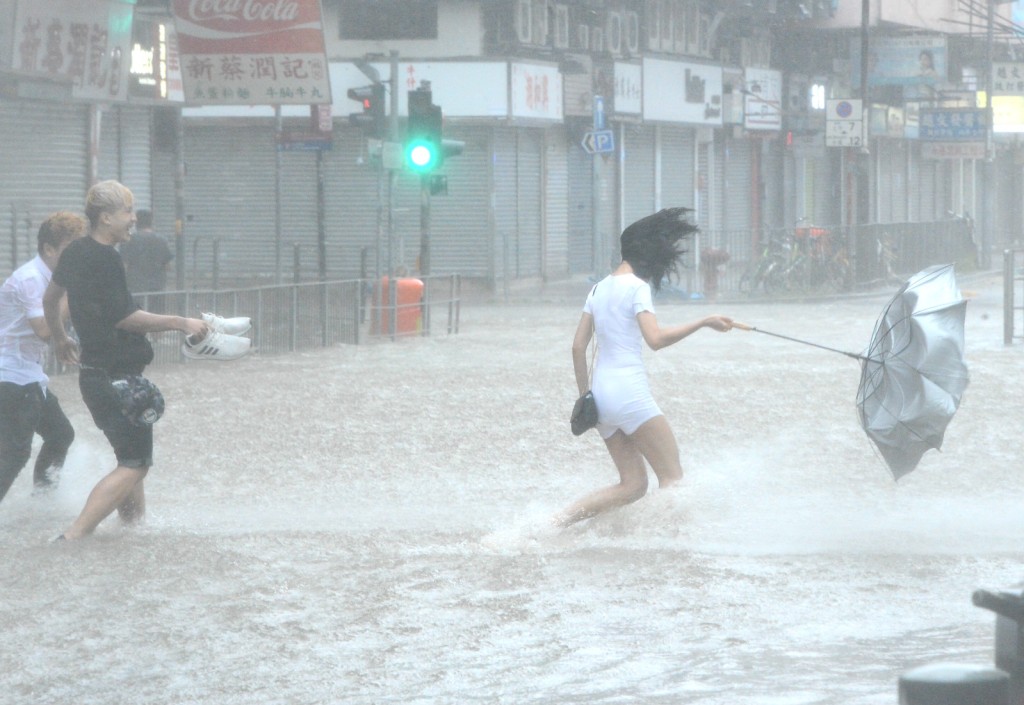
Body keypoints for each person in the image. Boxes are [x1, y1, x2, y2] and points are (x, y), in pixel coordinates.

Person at [42, 180, 210, 541]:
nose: (133, 219)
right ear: (106, 218)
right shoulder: (106, 259)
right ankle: (72, 537)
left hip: (95, 376)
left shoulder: (76, 251)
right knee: (135, 465)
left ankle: (132, 533)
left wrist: (60, 338)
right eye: (128, 212)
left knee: (131, 461)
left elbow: (50, 298)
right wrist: (181, 322)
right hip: (117, 380)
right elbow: (125, 317)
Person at [555, 208, 734, 528]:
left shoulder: (597, 289)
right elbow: (656, 339)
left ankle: (552, 524)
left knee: (633, 486)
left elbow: (577, 347)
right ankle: (667, 540)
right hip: (629, 394)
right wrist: (704, 321)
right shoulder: (637, 288)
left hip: (600, 397)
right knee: (674, 480)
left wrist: (586, 397)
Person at [0, 212, 84, 503]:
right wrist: (69, 291)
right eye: (70, 250)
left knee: (61, 434)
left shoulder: (50, 278)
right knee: (15, 452)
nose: (76, 258)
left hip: (28, 375)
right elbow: (45, 330)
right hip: (11, 375)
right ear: (49, 249)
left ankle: (42, 504)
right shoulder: (32, 279)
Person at [119, 208, 173, 313]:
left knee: (136, 315)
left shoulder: (128, 240)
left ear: (136, 222)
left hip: (135, 287)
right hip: (157, 287)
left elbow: (123, 266)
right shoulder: (162, 240)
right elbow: (168, 266)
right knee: (157, 317)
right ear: (151, 222)